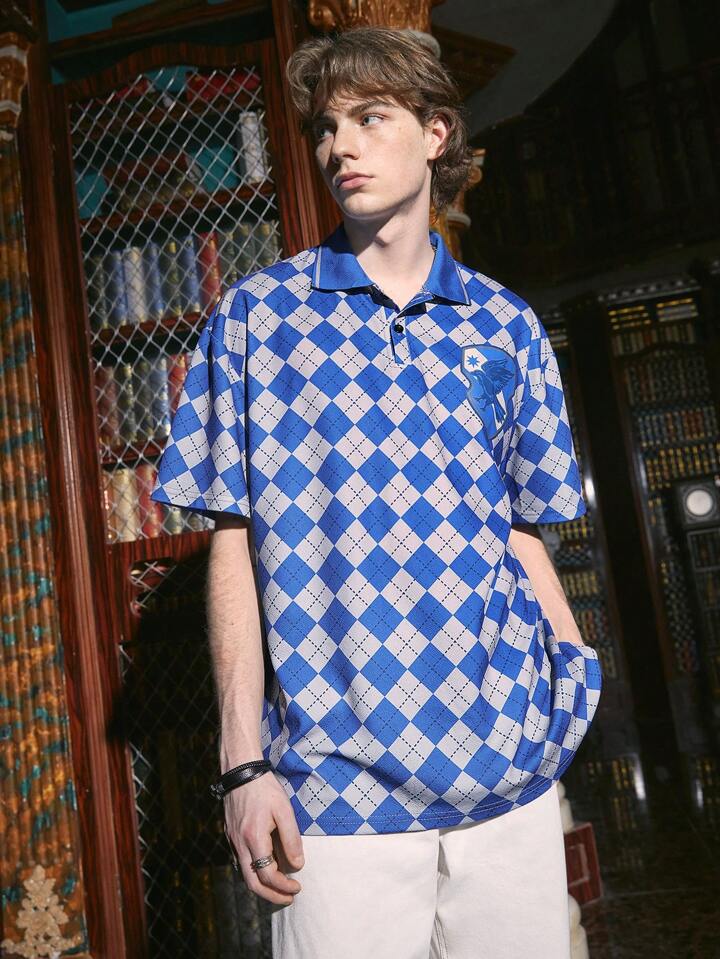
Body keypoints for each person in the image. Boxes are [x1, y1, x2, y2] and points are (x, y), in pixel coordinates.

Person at [150, 24, 602, 959]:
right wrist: (242, 765)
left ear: (436, 134)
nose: (340, 147)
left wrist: (574, 671)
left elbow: (521, 529)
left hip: (506, 779)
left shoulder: (505, 325)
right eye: (325, 127)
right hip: (334, 792)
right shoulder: (258, 318)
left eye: (370, 118)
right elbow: (233, 539)